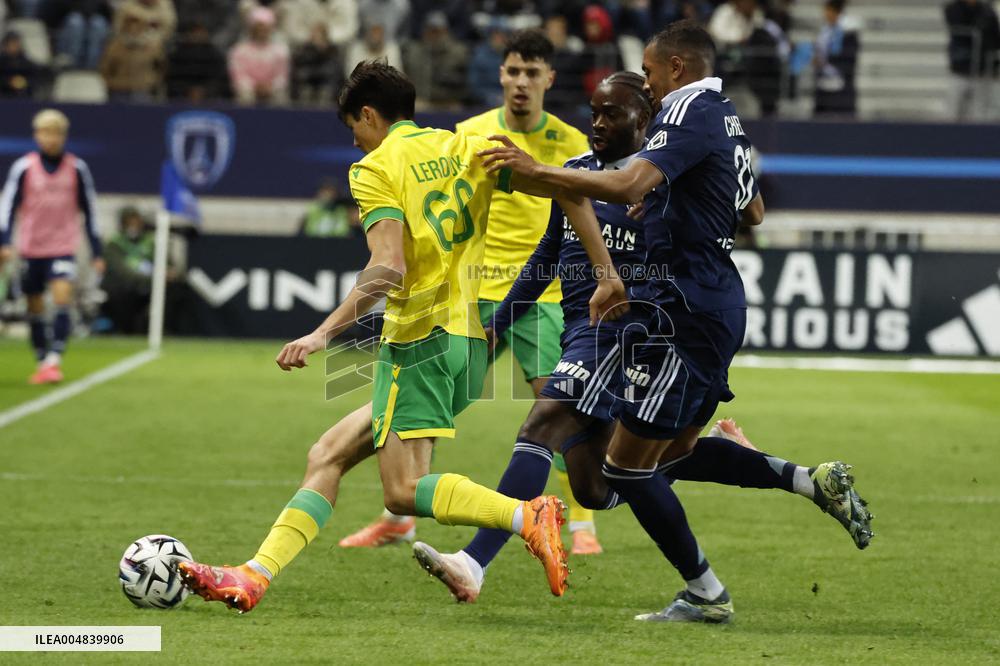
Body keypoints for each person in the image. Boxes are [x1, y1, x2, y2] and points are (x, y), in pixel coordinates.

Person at [176, 60, 629, 613]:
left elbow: (388, 266)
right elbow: (569, 192)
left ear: (369, 115)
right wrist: (607, 272)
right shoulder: (467, 146)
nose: (355, 141)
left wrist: (322, 333)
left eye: (354, 128)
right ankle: (254, 575)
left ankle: (523, 514)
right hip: (470, 344)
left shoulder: (375, 168)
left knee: (401, 491)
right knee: (328, 453)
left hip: (417, 340)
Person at [412, 72, 874, 605]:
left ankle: (474, 562)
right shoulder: (578, 172)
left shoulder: (661, 186)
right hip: (579, 332)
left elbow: (737, 216)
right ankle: (793, 476)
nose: (598, 123)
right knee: (597, 484)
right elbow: (547, 256)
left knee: (542, 424)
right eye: (594, 112)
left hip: (624, 336)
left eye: (613, 114)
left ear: (646, 122)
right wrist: (499, 323)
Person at [339, 30, 606, 556]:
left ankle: (581, 524)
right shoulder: (469, 134)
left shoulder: (572, 141)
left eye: (532, 73)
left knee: (558, 404)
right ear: (501, 75)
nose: (521, 82)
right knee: (429, 408)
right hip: (469, 292)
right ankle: (400, 519)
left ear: (550, 79)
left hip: (538, 292)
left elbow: (583, 204)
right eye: (513, 71)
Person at [0, 109, 104, 384]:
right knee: (34, 306)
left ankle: (54, 359)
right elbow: (7, 206)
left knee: (61, 297)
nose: (50, 139)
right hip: (32, 247)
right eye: (45, 133)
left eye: (55, 133)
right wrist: (4, 241)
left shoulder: (76, 168)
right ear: (37, 136)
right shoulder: (24, 168)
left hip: (62, 246)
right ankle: (41, 359)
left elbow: (90, 209)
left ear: (63, 136)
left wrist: (97, 250)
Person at [944, 0, 1000, 121]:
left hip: (981, 70)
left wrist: (994, 66)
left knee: (979, 113)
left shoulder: (987, 12)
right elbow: (959, 27)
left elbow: (994, 40)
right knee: (953, 112)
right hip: (960, 68)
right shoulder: (954, 8)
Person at [228, 6, 291, 106]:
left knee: (280, 94)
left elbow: (282, 77)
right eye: (258, 27)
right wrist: (254, 87)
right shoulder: (239, 51)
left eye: (265, 28)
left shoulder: (281, 51)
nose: (261, 31)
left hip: (272, 90)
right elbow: (239, 77)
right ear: (251, 29)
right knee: (245, 93)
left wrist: (270, 87)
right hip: (249, 90)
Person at [99, 12, 166, 101]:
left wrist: (152, 82)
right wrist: (112, 83)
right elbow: (105, 69)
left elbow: (160, 68)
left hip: (144, 89)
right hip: (118, 90)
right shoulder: (114, 47)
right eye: (130, 27)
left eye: (137, 27)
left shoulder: (154, 48)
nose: (133, 30)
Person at [813, 0, 859, 116]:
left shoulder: (848, 32)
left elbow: (848, 58)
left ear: (837, 12)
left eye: (828, 11)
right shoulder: (824, 32)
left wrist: (825, 61)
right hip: (823, 87)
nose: (825, 14)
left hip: (840, 89)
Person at [0, 31, 42, 98]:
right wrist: (9, 82)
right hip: (4, 96)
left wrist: (24, 82)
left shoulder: (26, 62)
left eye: (17, 43)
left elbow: (35, 78)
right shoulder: (2, 62)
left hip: (24, 96)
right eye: (12, 43)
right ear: (6, 45)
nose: (15, 46)